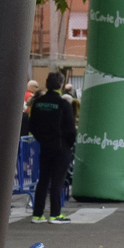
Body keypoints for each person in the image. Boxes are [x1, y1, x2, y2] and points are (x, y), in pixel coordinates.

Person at [28, 72, 76, 224]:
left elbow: (32, 125)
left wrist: (42, 139)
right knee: (57, 180)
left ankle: (37, 214)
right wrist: (70, 143)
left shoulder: (38, 103)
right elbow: (70, 129)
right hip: (61, 147)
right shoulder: (63, 104)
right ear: (61, 85)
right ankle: (55, 214)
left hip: (45, 146)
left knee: (43, 180)